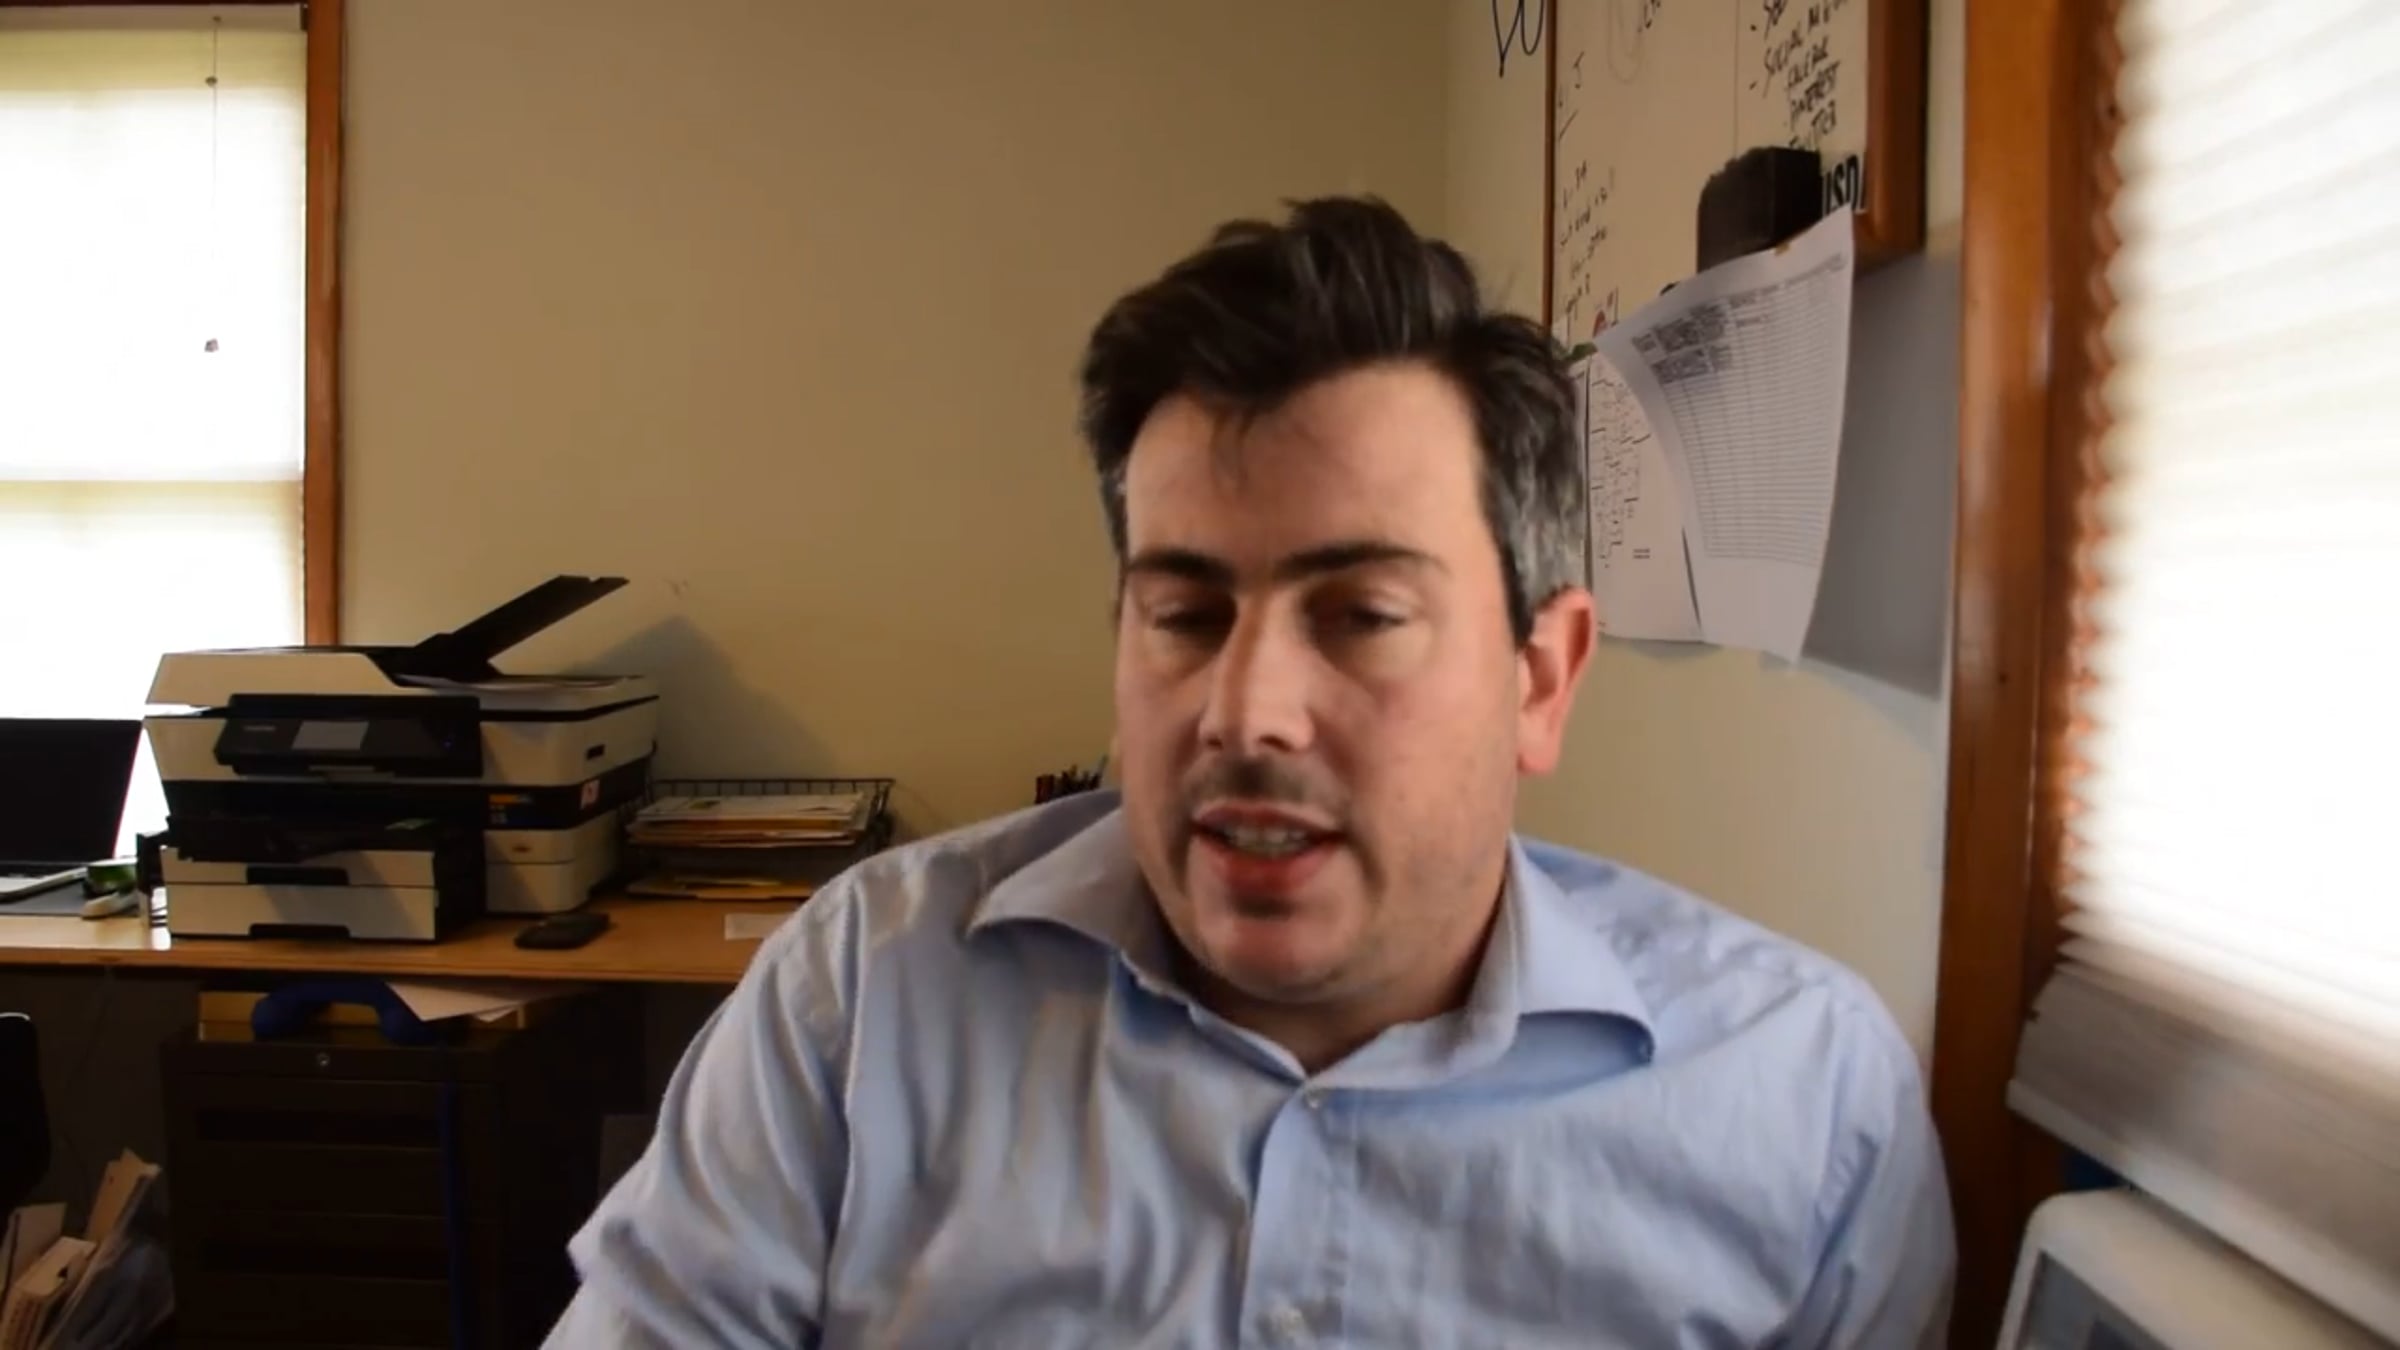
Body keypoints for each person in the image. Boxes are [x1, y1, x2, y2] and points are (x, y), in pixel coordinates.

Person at [548, 197, 1954, 1348]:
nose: (1245, 713)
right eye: (1185, 612)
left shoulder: (1805, 1100)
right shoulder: (862, 998)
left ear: (1539, 676)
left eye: (1363, 616)